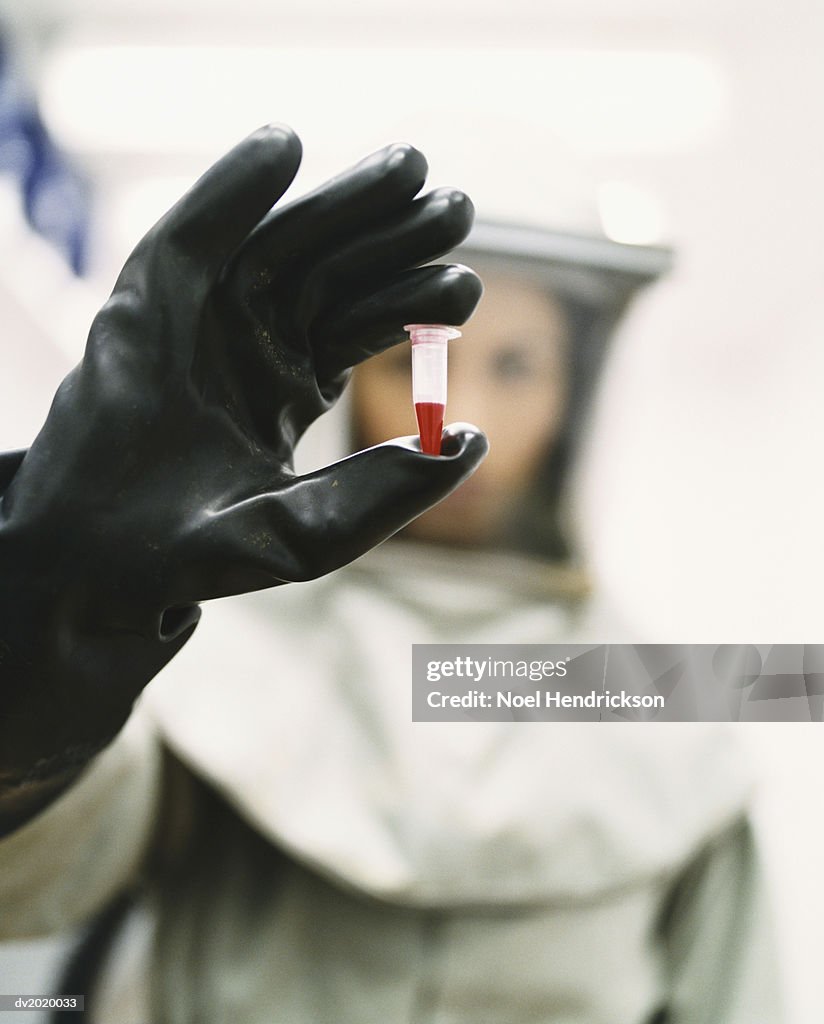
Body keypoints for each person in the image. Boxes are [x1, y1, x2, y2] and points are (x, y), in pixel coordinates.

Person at [0, 135, 782, 1021]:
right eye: (415, 361)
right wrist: (30, 681)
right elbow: (34, 876)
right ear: (347, 381)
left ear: (575, 394)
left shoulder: (672, 700)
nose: (464, 420)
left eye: (518, 365)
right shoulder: (224, 648)